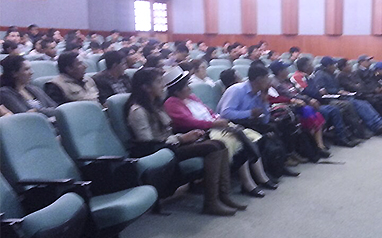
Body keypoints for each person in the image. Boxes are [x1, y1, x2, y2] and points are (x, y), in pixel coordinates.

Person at [125, 68, 243, 216]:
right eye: (159, 82)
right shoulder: (138, 111)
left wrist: (185, 136)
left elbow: (168, 132)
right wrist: (181, 138)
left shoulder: (156, 104)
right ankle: (211, 202)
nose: (163, 85)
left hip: (172, 144)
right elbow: (148, 143)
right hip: (161, 151)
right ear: (145, 87)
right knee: (213, 147)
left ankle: (223, 196)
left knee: (219, 144)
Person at [163, 66, 276, 197]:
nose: (190, 88)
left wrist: (218, 120)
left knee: (248, 136)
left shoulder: (192, 97)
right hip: (201, 132)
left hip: (216, 126)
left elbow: (210, 112)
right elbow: (188, 122)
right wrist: (213, 123)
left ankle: (261, 177)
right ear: (177, 91)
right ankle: (247, 183)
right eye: (186, 86)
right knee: (237, 140)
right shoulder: (172, 103)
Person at [291, 57, 360, 147]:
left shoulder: (310, 76)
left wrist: (319, 91)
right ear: (305, 67)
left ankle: (344, 136)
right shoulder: (298, 76)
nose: (313, 66)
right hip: (311, 103)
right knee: (335, 109)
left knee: (338, 108)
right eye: (311, 65)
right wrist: (318, 92)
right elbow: (306, 91)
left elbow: (316, 89)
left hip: (321, 99)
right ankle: (341, 137)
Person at [269, 60, 330, 158]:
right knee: (309, 112)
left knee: (316, 114)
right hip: (290, 106)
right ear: (280, 71)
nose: (288, 70)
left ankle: (319, 145)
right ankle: (314, 145)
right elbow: (288, 96)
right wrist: (307, 100)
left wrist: (307, 99)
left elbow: (298, 93)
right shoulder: (275, 83)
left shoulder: (287, 80)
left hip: (299, 103)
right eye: (285, 68)